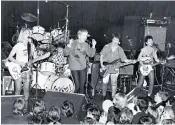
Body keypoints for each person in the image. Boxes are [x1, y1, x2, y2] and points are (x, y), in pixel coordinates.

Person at [6, 28, 50, 110]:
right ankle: (17, 108)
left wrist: (42, 56)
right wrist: (20, 63)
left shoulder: (32, 46)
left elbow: (34, 58)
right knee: (18, 91)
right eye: (26, 33)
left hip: (27, 70)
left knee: (26, 91)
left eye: (30, 33)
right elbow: (10, 57)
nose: (29, 35)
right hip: (18, 69)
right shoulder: (18, 45)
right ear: (22, 35)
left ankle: (25, 108)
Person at [100, 33, 132, 100]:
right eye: (114, 40)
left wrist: (131, 61)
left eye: (117, 40)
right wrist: (102, 65)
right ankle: (103, 95)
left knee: (114, 83)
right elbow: (101, 56)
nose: (115, 42)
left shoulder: (120, 49)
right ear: (112, 39)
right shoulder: (106, 46)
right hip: (106, 67)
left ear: (119, 41)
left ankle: (113, 97)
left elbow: (124, 59)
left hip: (115, 67)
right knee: (105, 82)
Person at [64, 29, 96, 94]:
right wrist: (69, 45)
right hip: (74, 67)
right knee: (77, 86)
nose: (86, 37)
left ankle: (80, 102)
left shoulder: (86, 44)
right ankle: (71, 99)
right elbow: (65, 53)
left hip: (83, 67)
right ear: (79, 36)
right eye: (84, 35)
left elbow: (91, 55)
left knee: (82, 86)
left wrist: (93, 46)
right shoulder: (73, 43)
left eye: (86, 36)